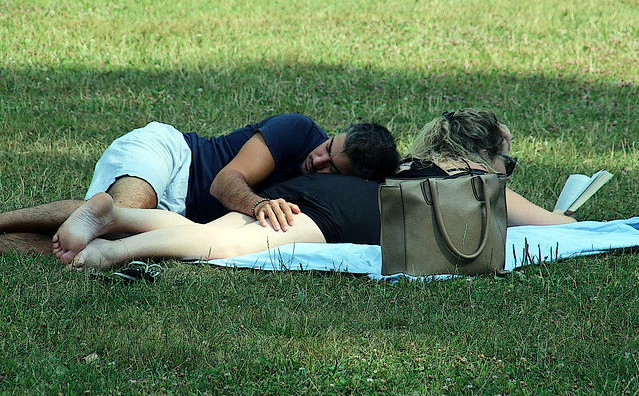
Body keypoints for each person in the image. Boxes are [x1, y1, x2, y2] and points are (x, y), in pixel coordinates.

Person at [52, 108, 576, 271]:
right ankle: (111, 250)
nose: (507, 167)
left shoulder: (408, 169)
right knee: (220, 245)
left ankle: (110, 218)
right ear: (482, 156)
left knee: (209, 234)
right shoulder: (485, 188)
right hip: (335, 217)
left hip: (332, 209)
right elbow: (565, 229)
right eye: (505, 158)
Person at [0, 114, 399, 257]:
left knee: (107, 238)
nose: (318, 160)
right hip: (174, 158)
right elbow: (226, 182)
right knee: (121, 221)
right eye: (329, 147)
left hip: (177, 218)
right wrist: (260, 205)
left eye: (333, 169)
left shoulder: (334, 198)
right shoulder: (297, 131)